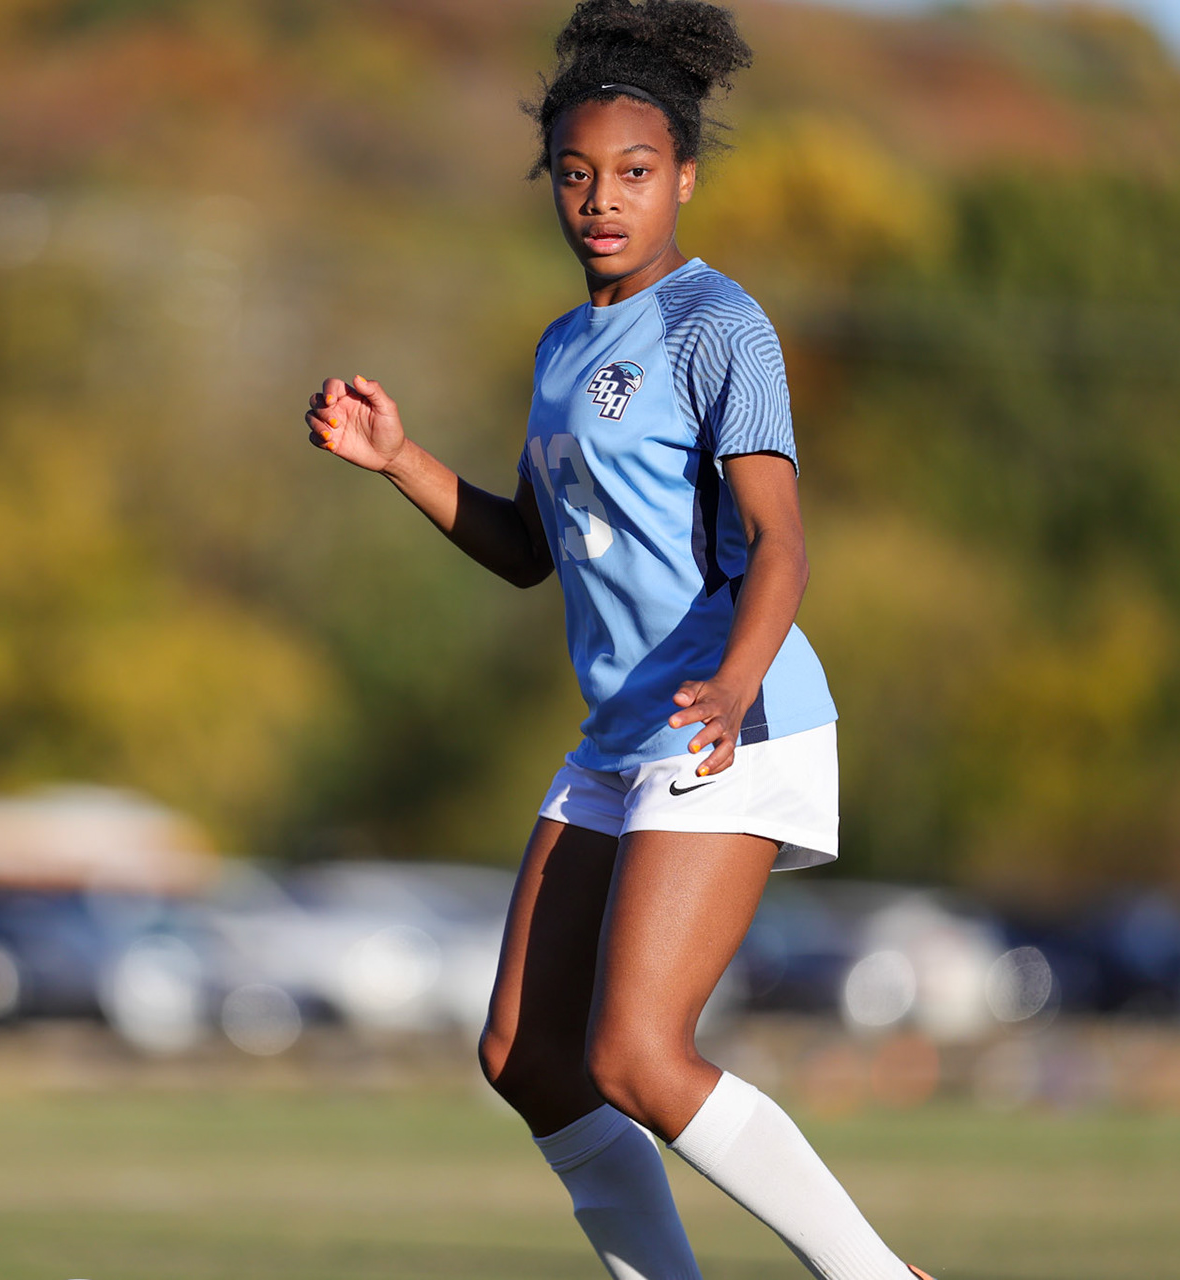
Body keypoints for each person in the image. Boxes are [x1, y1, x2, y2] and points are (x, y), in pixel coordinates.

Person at [301, 3, 930, 1276]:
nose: (604, 198)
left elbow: (782, 541)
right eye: (577, 176)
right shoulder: (562, 346)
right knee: (522, 1054)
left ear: (684, 178)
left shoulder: (720, 327)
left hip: (728, 712)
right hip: (620, 731)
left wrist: (733, 681)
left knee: (637, 1054)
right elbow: (532, 549)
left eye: (634, 174)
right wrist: (398, 458)